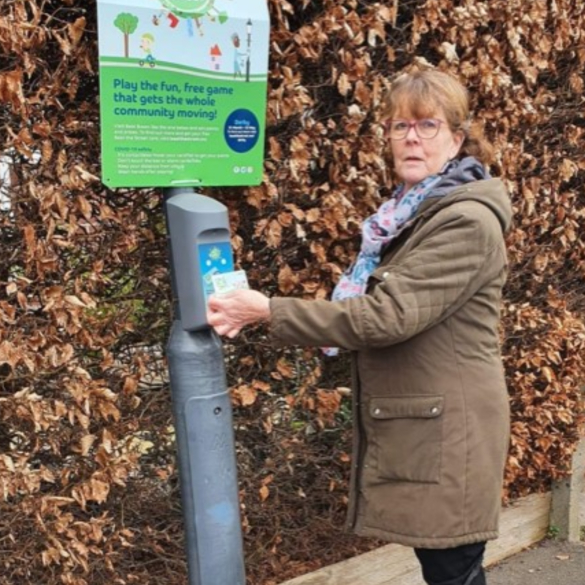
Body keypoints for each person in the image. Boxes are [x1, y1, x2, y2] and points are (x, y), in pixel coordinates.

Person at [207, 69, 512, 585]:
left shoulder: (466, 221)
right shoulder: (407, 215)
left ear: (457, 139)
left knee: (452, 570)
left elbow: (384, 316)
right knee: (448, 570)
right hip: (430, 426)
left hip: (452, 433)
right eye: (399, 126)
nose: (411, 138)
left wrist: (267, 310)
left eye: (427, 125)